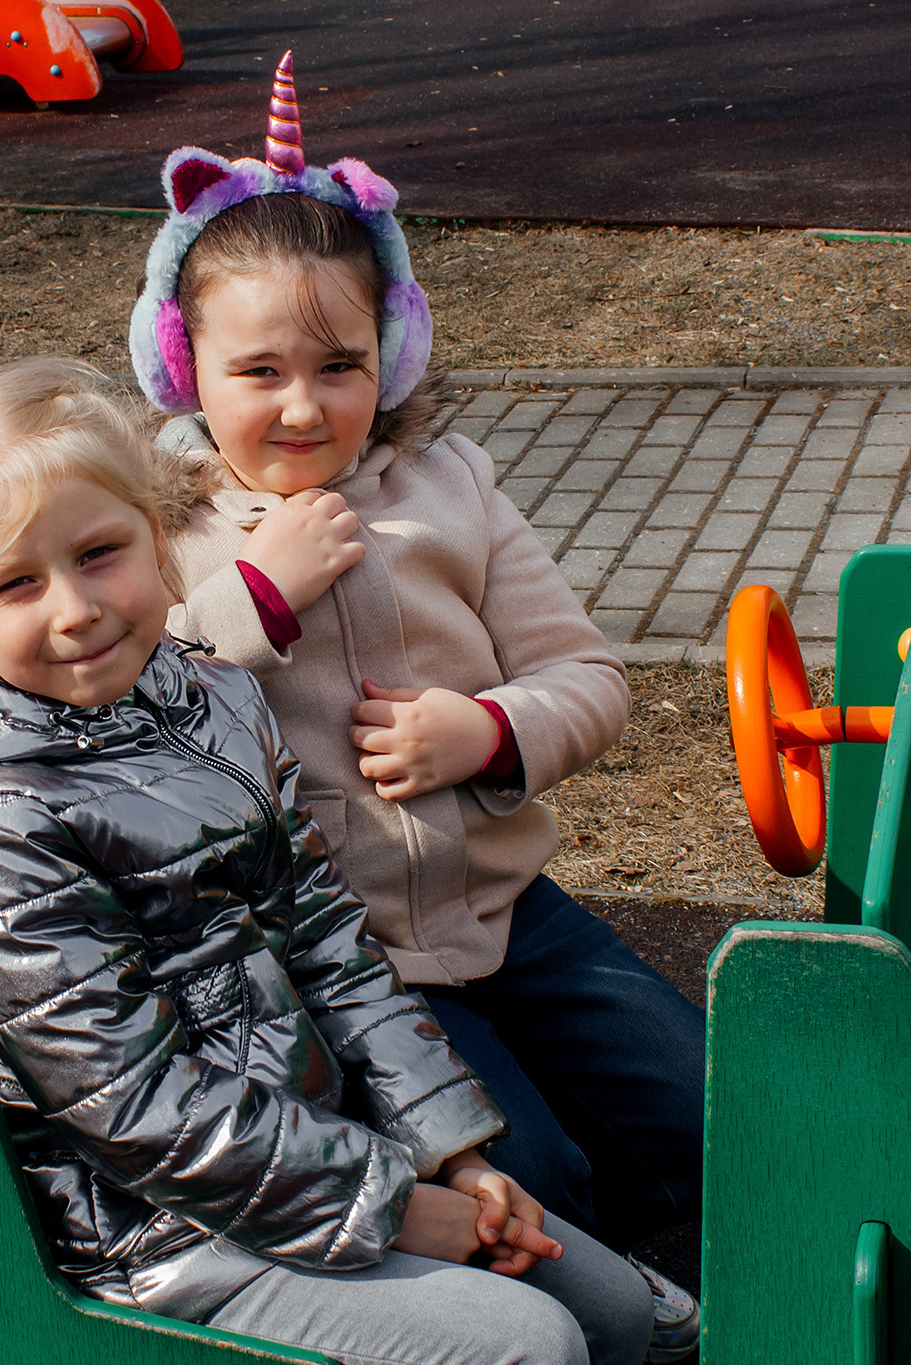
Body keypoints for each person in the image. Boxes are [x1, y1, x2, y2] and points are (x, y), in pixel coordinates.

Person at [0, 358, 654, 1365]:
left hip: (308, 1153)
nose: (74, 609)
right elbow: (135, 1109)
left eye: (100, 554)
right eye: (15, 584)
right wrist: (394, 1205)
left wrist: (450, 1149)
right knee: (529, 1346)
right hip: (163, 1235)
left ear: (159, 538)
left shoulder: (210, 698)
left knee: (627, 1317)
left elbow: (325, 938)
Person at [128, 54, 708, 1358]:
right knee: (536, 1177)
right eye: (257, 369)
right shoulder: (158, 526)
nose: (299, 403)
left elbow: (591, 681)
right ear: (184, 363)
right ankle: (619, 1294)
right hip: (353, 965)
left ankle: (672, 1219)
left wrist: (487, 731)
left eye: (338, 365)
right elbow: (123, 713)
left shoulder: (450, 486)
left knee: (718, 1104)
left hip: (513, 912)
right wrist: (251, 601)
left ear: (391, 352)